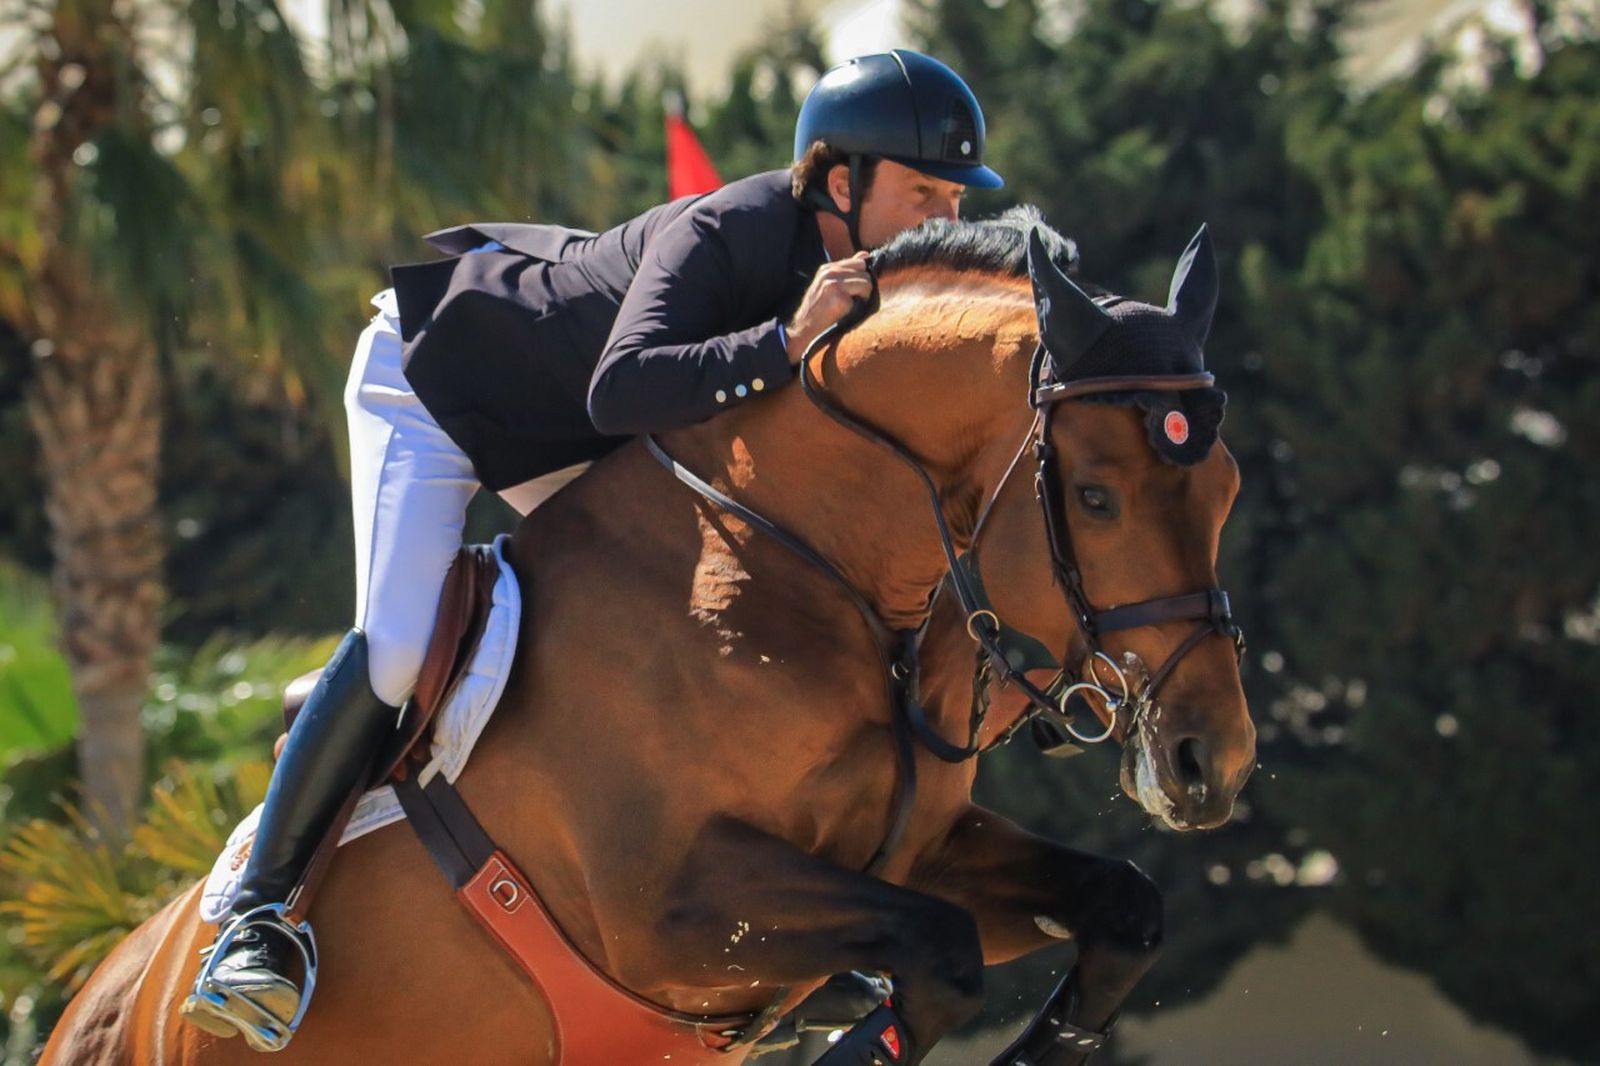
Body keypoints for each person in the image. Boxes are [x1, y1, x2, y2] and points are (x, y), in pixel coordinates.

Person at [181, 49, 1004, 1051]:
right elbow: (623, 386)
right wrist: (784, 343)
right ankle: (258, 920)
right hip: (436, 387)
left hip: (576, 435)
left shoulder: (866, 293)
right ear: (841, 181)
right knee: (400, 645)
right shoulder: (730, 227)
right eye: (923, 192)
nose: (945, 223)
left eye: (956, 200)